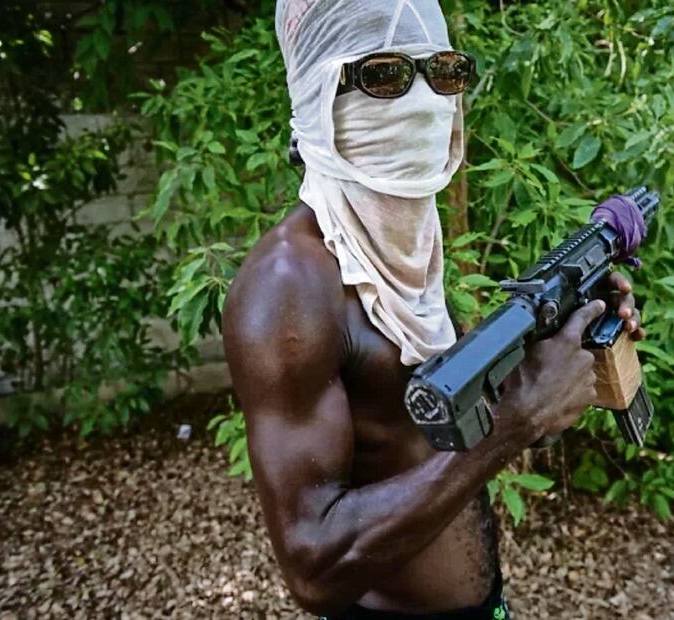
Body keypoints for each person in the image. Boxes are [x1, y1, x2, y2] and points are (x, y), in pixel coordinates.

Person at [222, 1, 645, 618]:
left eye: (443, 71)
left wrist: (552, 352)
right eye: (385, 75)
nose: (422, 99)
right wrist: (516, 421)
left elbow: (429, 431)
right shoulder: (289, 287)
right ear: (319, 93)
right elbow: (313, 567)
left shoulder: (403, 244)